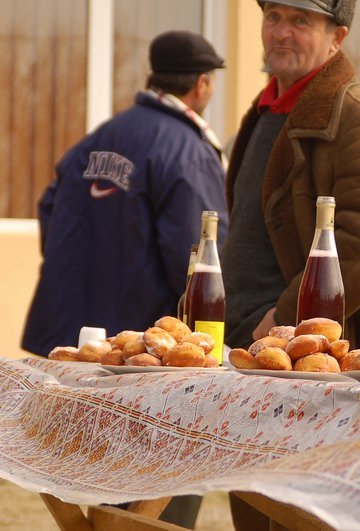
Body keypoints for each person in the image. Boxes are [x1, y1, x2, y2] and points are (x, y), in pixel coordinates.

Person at [21, 30, 228, 357]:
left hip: (68, 333)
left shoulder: (102, 135)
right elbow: (196, 255)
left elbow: (50, 207)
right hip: (137, 347)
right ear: (201, 84)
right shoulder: (188, 152)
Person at [221, 0, 360, 353]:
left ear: (337, 38)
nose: (281, 33)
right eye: (273, 16)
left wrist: (288, 317)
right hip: (240, 342)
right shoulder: (266, 109)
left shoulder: (354, 112)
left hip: (300, 351)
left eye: (300, 21)